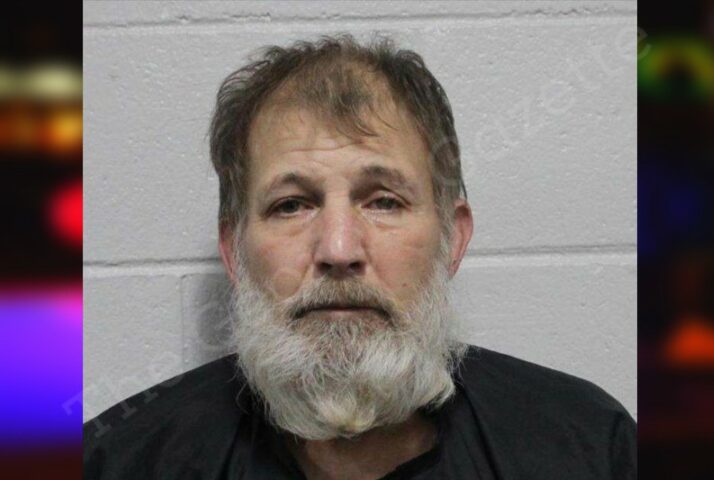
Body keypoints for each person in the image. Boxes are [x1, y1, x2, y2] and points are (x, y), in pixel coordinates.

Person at [83, 34, 637, 479]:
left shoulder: (589, 447)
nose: (339, 250)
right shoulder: (119, 461)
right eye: (291, 205)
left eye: (384, 202)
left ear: (453, 239)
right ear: (234, 253)